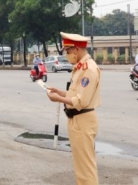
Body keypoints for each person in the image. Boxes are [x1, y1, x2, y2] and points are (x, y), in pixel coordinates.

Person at [46, 32, 101, 185]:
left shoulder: (88, 69)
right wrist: (60, 92)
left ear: (76, 50)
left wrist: (58, 99)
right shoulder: (80, 67)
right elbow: (75, 94)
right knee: (81, 166)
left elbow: (80, 101)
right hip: (77, 119)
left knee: (86, 168)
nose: (67, 55)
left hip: (83, 119)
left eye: (68, 52)